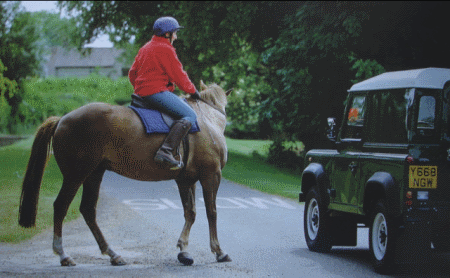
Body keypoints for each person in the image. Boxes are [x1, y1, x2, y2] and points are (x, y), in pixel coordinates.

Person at [129, 16, 201, 170]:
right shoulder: (166, 49)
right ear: (167, 34)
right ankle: (166, 151)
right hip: (156, 92)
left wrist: (141, 87)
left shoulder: (146, 47)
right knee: (190, 115)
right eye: (174, 33)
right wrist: (193, 91)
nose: (176, 36)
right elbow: (179, 75)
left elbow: (132, 73)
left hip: (141, 93)